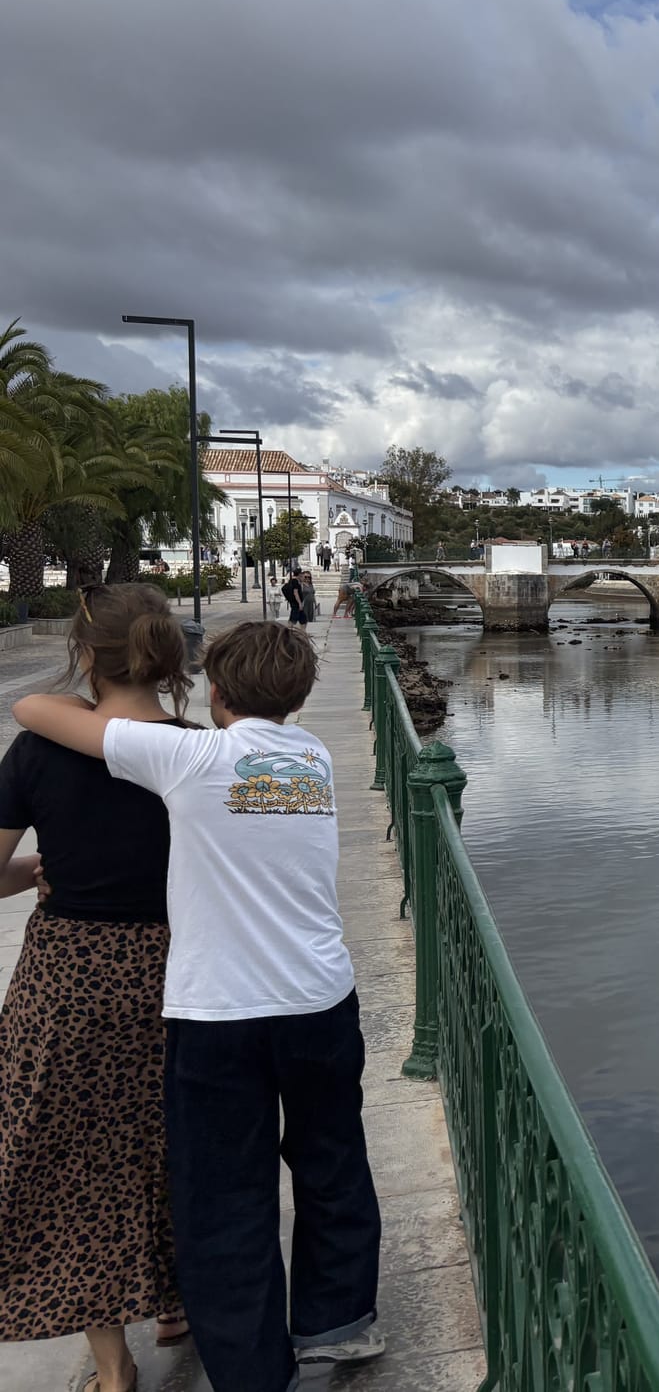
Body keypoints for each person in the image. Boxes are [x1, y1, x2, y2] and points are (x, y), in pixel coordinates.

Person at [13, 622, 385, 1391]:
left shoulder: (190, 759)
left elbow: (34, 711)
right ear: (300, 697)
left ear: (213, 693)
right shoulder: (311, 758)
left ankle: (251, 1368)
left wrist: (90, 670)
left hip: (221, 1012)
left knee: (225, 1192)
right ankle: (336, 1324)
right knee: (332, 1163)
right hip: (320, 998)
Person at [0, 583, 192, 1392]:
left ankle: (113, 1371)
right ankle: (176, 1301)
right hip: (175, 971)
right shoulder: (197, 750)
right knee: (170, 1141)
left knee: (68, 1159)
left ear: (86, 655)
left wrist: (37, 869)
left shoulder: (40, 749)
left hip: (70, 972)